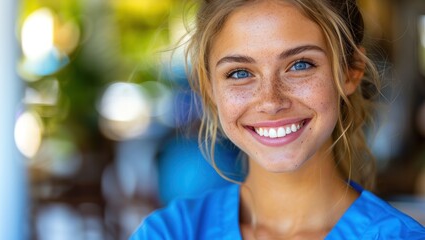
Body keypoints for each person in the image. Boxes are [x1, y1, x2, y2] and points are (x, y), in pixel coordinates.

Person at [130, 0, 425, 238]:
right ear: (209, 88)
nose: (271, 101)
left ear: (351, 72)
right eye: (240, 73)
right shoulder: (170, 232)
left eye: (300, 65)